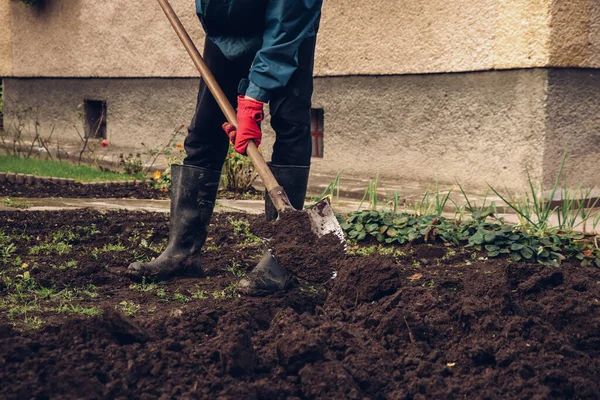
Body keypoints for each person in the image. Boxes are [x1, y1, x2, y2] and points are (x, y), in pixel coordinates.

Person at [127, 0, 323, 295]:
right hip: (229, 28)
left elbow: (290, 14)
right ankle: (182, 251)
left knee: (290, 122)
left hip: (288, 29)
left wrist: (254, 99)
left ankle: (282, 257)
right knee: (205, 125)